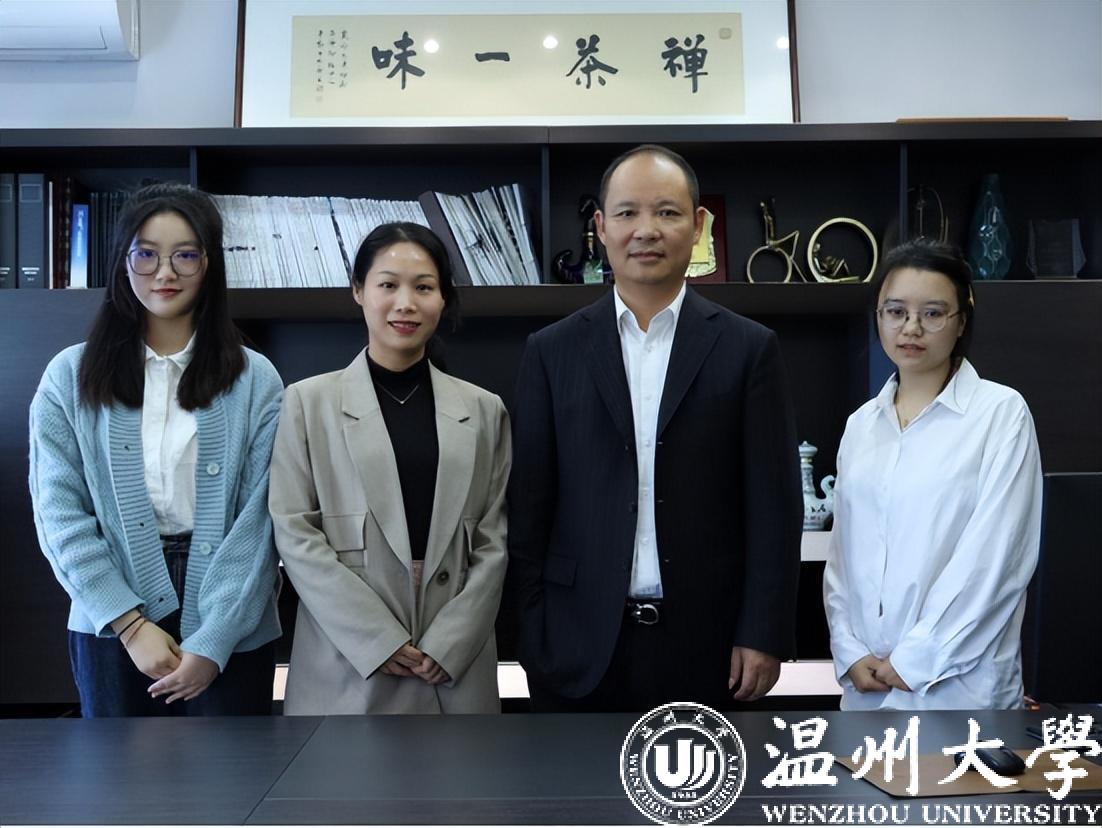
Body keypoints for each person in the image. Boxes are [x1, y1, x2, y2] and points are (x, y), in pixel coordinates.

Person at [507, 145, 802, 712]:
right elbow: (528, 505)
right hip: (576, 642)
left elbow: (774, 504)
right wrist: (533, 631)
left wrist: (762, 631)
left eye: (667, 212)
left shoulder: (748, 348)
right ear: (600, 227)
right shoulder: (552, 351)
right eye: (627, 213)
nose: (646, 230)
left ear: (698, 225)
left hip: (709, 643)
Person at [28, 183, 284, 717]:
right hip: (110, 611)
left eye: (184, 255)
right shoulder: (68, 376)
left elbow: (262, 520)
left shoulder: (256, 378)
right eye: (146, 254)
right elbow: (58, 514)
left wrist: (215, 639)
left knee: (233, 768)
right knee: (121, 770)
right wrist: (129, 624)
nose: (164, 273)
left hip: (231, 611)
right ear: (124, 262)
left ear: (208, 264)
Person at [269, 222, 509, 715]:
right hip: (346, 663)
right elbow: (295, 534)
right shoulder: (307, 403)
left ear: (443, 298)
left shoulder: (485, 410)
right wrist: (376, 639)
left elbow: (494, 539)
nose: (405, 303)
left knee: (465, 768)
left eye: (423, 287)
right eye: (387, 285)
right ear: (359, 290)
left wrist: (453, 640)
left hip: (455, 664)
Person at [823, 239, 1042, 710]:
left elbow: (997, 558)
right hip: (868, 687)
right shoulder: (861, 425)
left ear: (962, 320)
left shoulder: (1000, 413)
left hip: (960, 688)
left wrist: (917, 658)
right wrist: (848, 649)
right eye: (896, 312)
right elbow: (843, 555)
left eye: (933, 313)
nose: (912, 328)